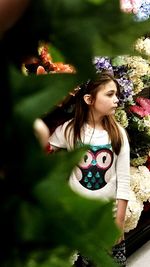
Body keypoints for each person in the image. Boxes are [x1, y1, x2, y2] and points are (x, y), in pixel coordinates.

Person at [39, 71, 130, 267]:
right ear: (89, 99)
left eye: (117, 94)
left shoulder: (118, 135)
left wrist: (119, 222)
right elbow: (46, 151)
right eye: (110, 94)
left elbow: (123, 181)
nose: (116, 100)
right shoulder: (69, 130)